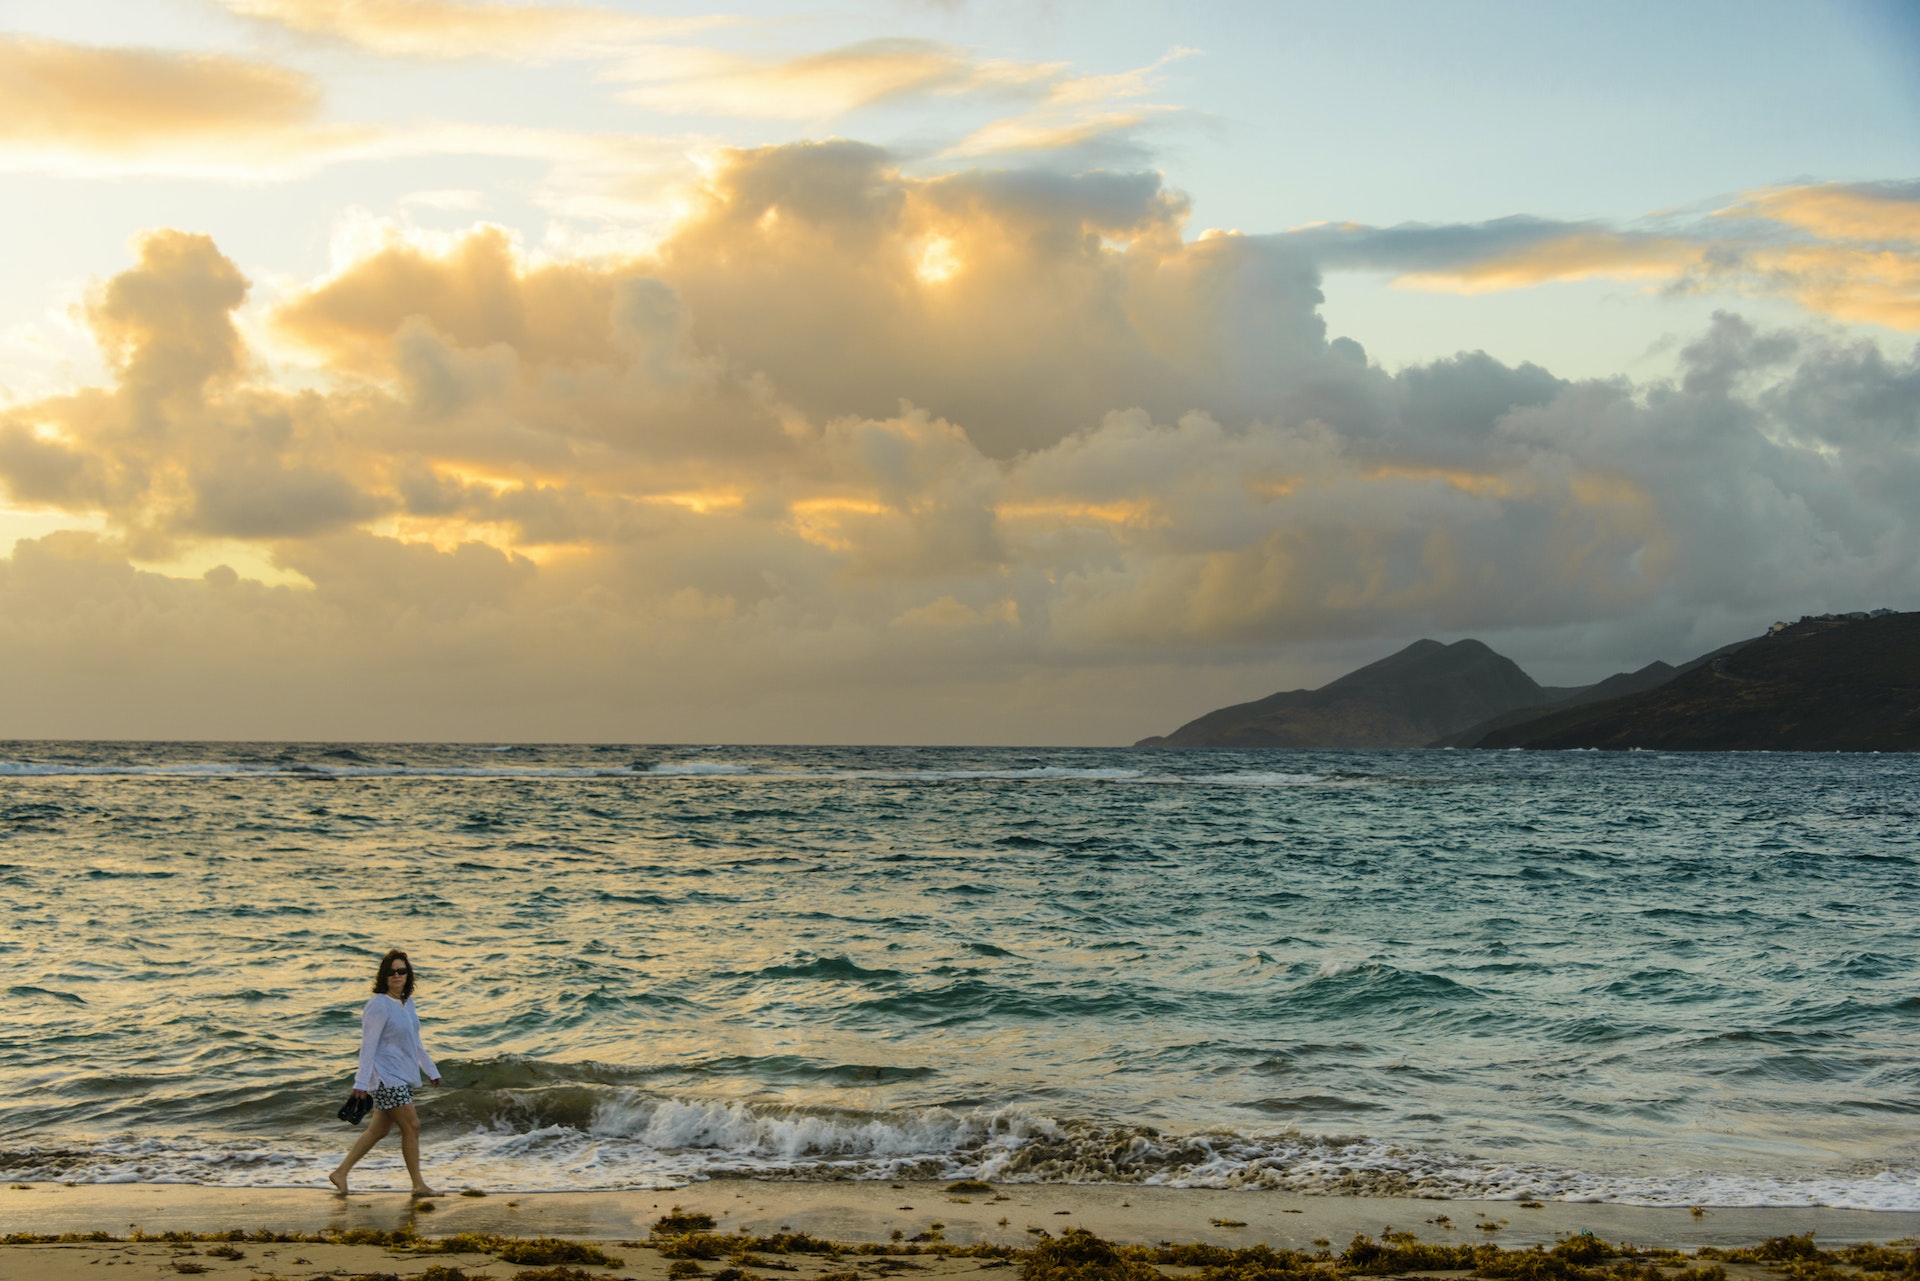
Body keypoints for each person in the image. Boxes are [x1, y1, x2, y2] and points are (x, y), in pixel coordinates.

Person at [329, 949, 442, 1195]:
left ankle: (341, 1172)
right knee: (412, 1126)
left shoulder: (406, 1004)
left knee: (379, 1129)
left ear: (408, 975)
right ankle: (418, 1185)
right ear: (384, 977)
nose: (396, 975)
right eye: (391, 972)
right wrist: (361, 1082)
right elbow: (367, 1045)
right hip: (387, 1078)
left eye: (401, 971)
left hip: (401, 1075)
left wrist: (430, 1069)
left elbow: (415, 1042)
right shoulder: (378, 1005)